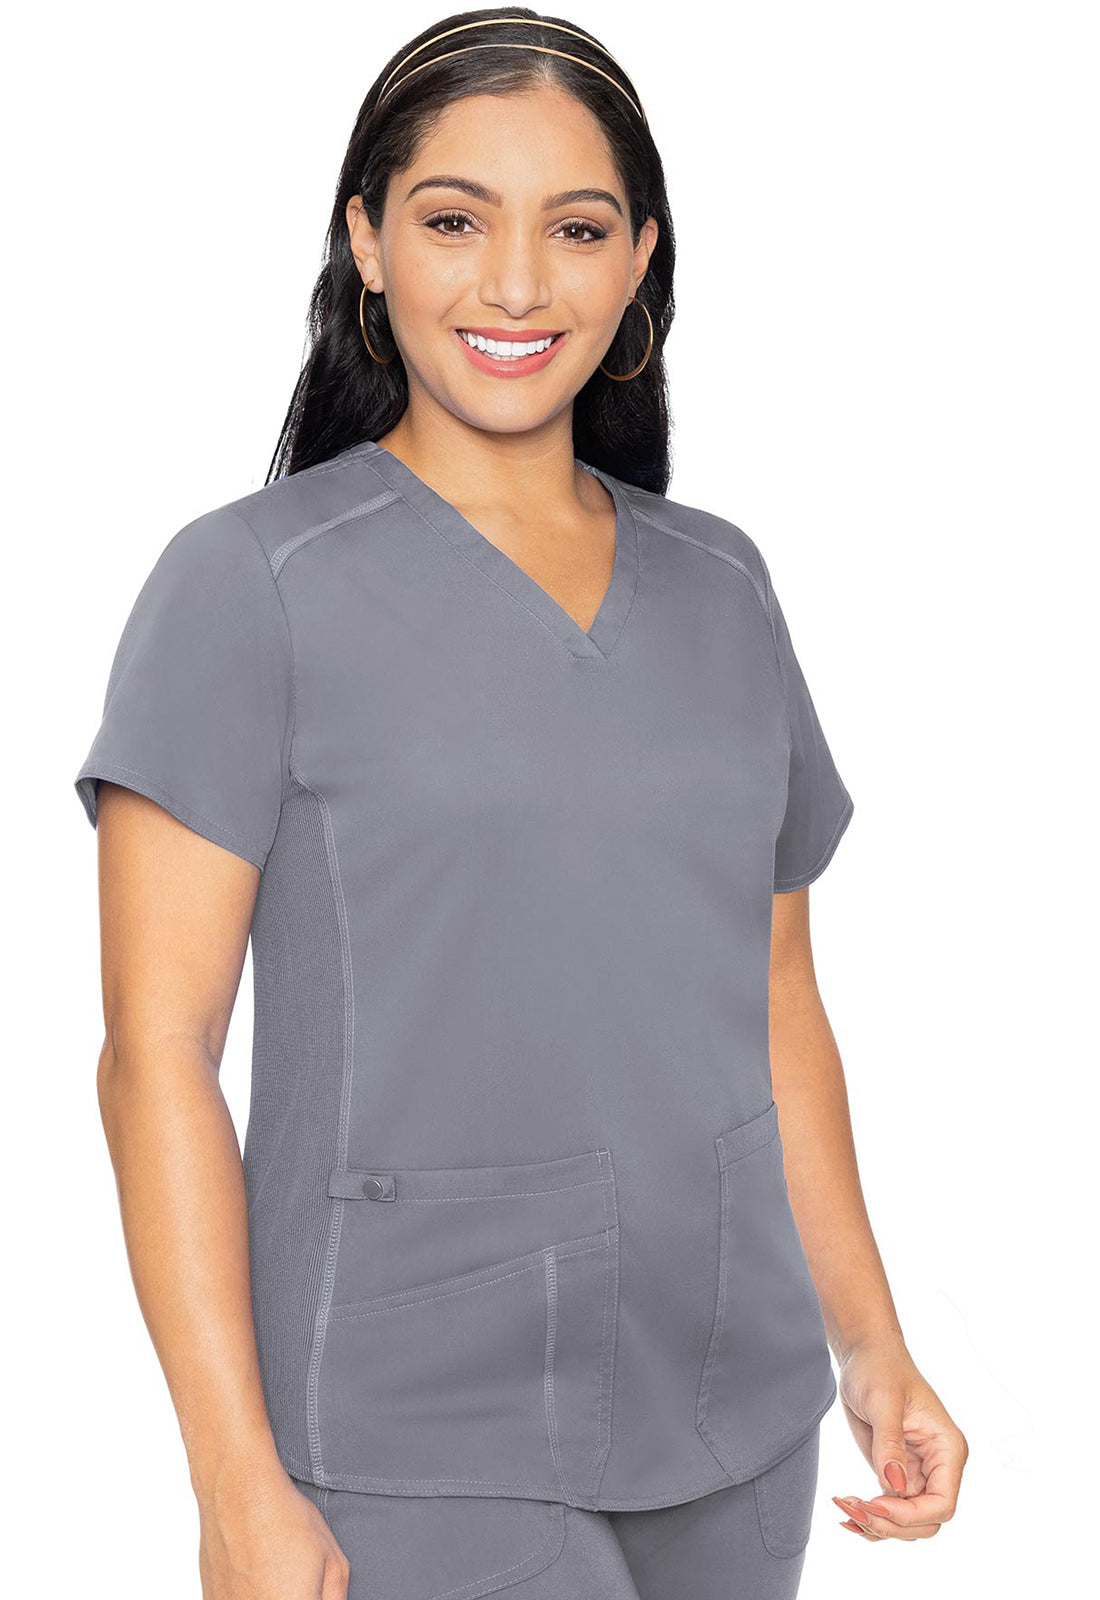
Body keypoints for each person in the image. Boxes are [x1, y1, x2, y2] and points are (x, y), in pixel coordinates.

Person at [73, 9, 968, 1597]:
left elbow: (775, 999)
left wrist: (871, 1344)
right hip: (406, 1423)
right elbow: (157, 1056)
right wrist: (230, 1478)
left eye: (577, 228)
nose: (514, 285)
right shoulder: (247, 587)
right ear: (366, 241)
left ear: (639, 266)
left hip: (731, 1404)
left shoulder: (723, 587)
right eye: (453, 221)